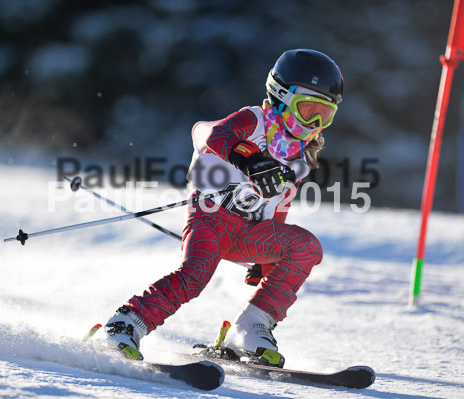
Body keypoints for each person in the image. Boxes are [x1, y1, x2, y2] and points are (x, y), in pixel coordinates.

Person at [103, 49, 344, 367]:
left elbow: (278, 208)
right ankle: (126, 323)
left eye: (323, 114)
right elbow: (209, 133)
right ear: (281, 96)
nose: (313, 122)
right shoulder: (254, 121)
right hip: (211, 218)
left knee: (306, 247)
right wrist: (249, 158)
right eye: (307, 109)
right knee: (194, 276)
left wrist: (265, 261)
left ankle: (251, 328)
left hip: (250, 232)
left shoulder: (301, 158)